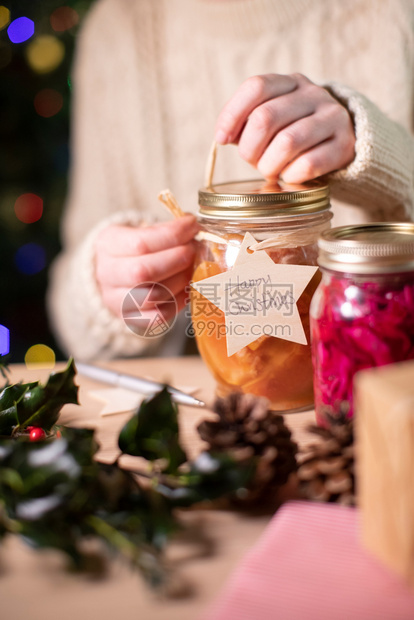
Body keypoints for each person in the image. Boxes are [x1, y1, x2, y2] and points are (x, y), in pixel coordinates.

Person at [48, 0, 414, 361]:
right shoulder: (117, 32)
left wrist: (378, 157)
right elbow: (73, 323)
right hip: (203, 408)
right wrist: (105, 292)